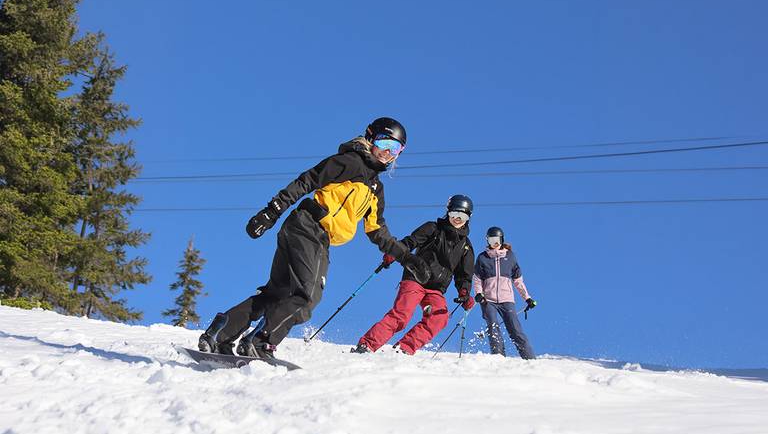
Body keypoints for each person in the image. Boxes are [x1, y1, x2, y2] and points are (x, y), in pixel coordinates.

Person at [198, 117, 431, 359]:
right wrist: (272, 211)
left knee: (277, 294)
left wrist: (408, 259)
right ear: (371, 138)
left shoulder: (375, 190)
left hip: (318, 238)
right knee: (306, 297)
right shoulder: (350, 162)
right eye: (384, 143)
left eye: (395, 149)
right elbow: (307, 181)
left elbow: (377, 231)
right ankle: (261, 341)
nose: (387, 153)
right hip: (307, 228)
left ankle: (220, 333)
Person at [353, 195, 476, 355]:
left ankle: (403, 348)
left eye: (463, 216)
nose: (458, 219)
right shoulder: (433, 228)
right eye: (454, 214)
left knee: (439, 318)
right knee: (402, 315)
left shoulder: (466, 246)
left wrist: (464, 292)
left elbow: (464, 275)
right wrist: (394, 252)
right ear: (448, 213)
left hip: (436, 290)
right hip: (416, 278)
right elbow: (410, 242)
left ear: (468, 218)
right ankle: (367, 345)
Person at [473, 226, 537, 359]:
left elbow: (518, 281)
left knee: (515, 329)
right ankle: (498, 357)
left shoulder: (510, 257)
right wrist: (479, 293)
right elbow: (477, 279)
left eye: (497, 240)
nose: (494, 243)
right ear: (487, 241)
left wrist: (528, 298)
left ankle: (529, 358)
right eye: (491, 240)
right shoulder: (482, 258)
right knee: (493, 327)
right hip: (488, 300)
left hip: (507, 299)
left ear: (502, 240)